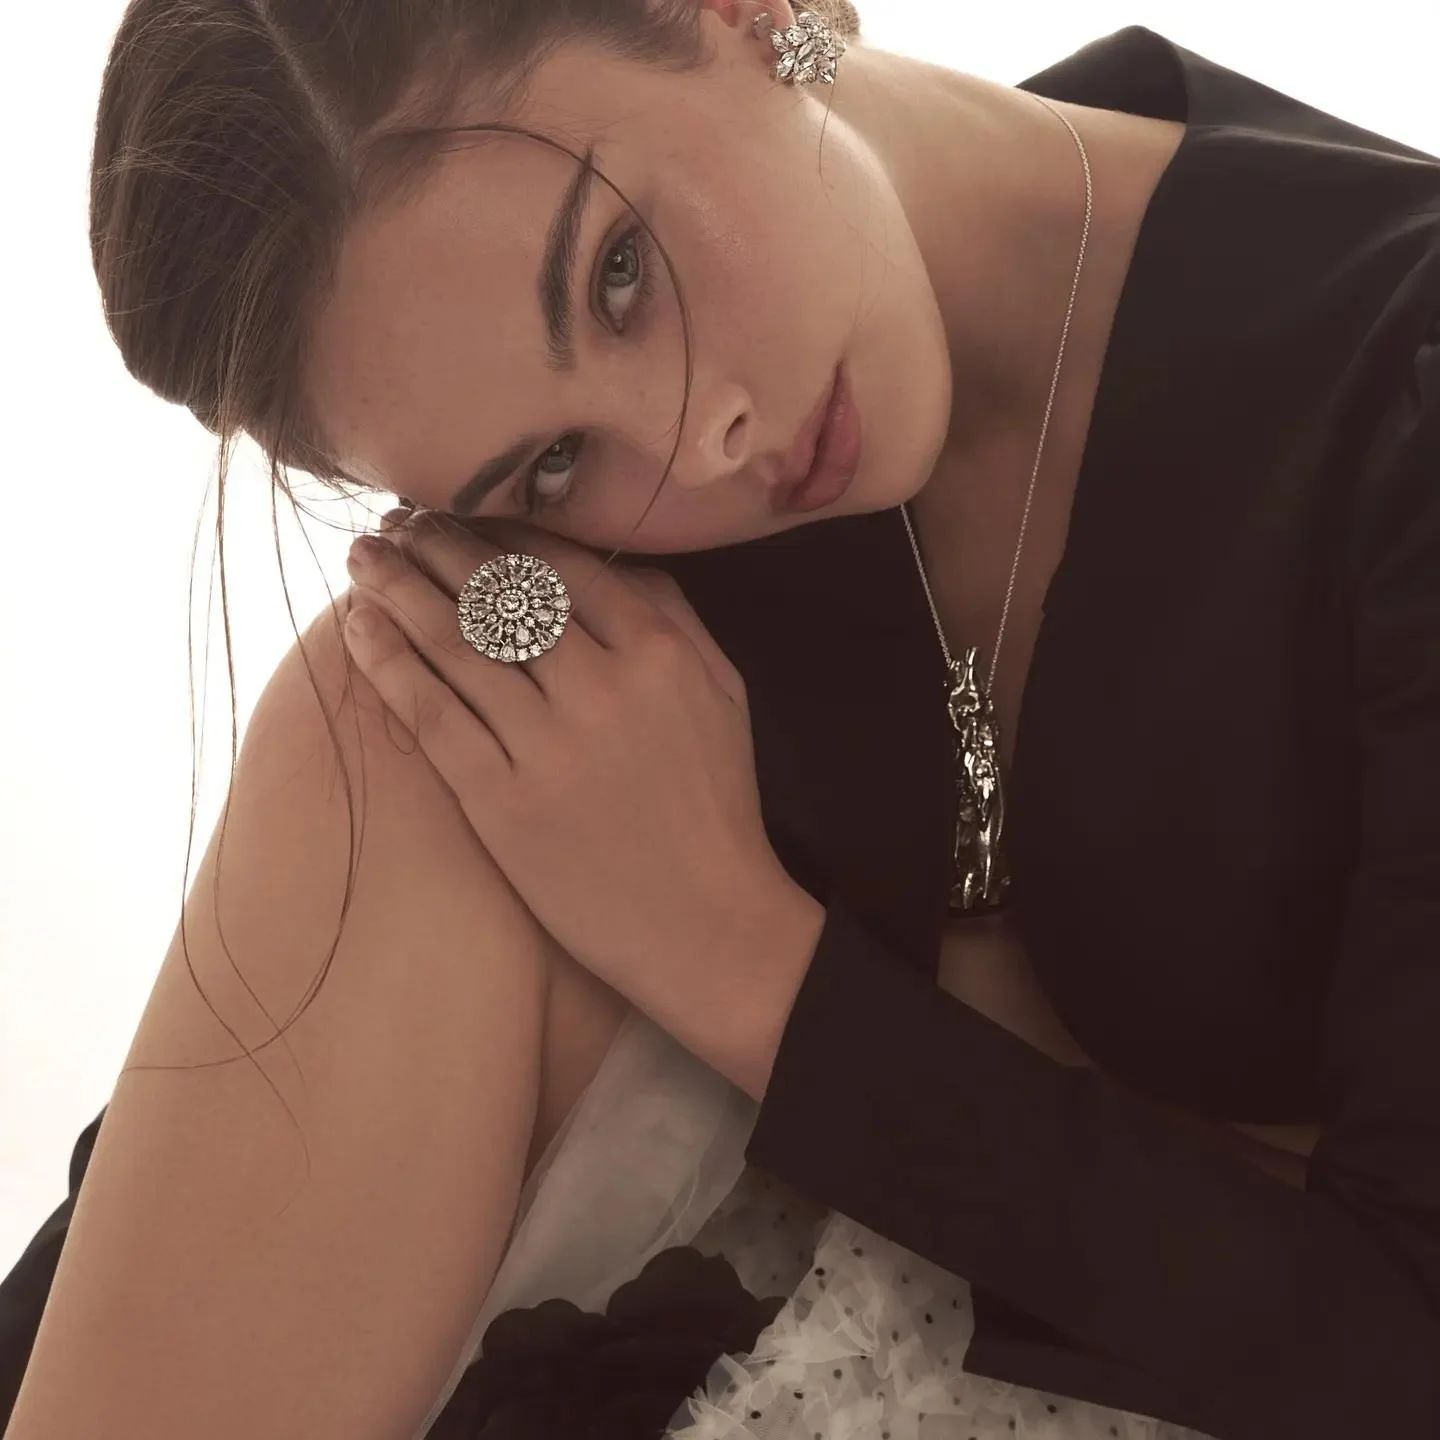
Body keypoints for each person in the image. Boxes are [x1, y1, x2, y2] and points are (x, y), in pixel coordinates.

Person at [3, 0, 1438, 1434]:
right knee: (408, 704)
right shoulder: (640, 541)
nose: (698, 444)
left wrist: (745, 964)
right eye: (551, 461)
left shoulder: (1397, 383)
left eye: (619, 273)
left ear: (736, 12)